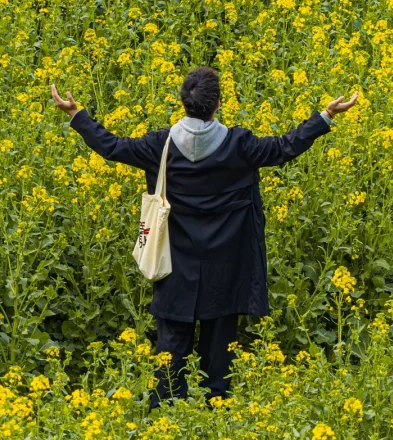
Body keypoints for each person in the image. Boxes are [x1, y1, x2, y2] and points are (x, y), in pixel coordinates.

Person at [51, 66, 357, 403]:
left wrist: (77, 114)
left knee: (172, 340)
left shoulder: (160, 145)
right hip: (227, 260)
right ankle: (217, 404)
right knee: (220, 340)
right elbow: (285, 147)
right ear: (218, 104)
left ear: (183, 103)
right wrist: (326, 115)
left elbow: (111, 146)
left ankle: (163, 410)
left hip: (174, 257)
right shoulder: (240, 145)